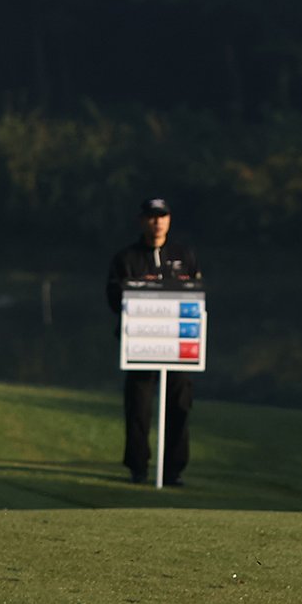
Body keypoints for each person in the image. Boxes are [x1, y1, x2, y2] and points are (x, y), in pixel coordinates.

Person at [105, 196, 201, 485]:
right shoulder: (126, 257)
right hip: (141, 345)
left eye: (162, 216)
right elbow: (113, 296)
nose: (157, 222)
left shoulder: (184, 254)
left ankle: (174, 470)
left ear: (169, 220)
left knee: (179, 405)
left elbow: (197, 292)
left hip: (178, 345)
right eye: (152, 216)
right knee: (139, 408)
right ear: (142, 220)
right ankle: (138, 468)